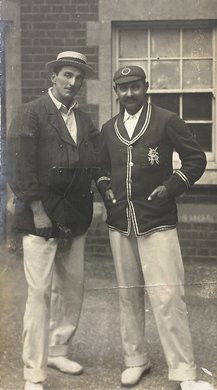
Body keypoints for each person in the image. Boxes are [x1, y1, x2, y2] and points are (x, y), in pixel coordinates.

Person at [96, 65, 211, 390]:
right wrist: (106, 192)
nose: (129, 93)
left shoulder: (166, 120)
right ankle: (136, 360)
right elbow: (101, 169)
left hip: (157, 222)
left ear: (146, 87)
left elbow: (195, 160)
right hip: (120, 224)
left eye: (135, 87)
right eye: (123, 88)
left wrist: (171, 187)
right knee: (129, 296)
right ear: (115, 91)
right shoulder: (109, 128)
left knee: (168, 297)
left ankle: (184, 371)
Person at [7, 51, 102, 390]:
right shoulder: (30, 113)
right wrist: (36, 209)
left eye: (78, 78)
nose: (72, 83)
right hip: (41, 218)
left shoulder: (85, 120)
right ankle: (34, 372)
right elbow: (20, 167)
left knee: (71, 291)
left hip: (74, 217)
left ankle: (57, 350)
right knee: (40, 294)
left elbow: (94, 162)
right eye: (66, 75)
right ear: (53, 77)